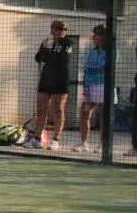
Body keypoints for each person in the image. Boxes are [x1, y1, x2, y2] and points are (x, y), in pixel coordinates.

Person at [22, 19, 73, 151]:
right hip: (46, 79)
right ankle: (36, 139)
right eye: (58, 28)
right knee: (41, 110)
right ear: (52, 30)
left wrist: (48, 54)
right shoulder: (47, 42)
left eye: (64, 29)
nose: (62, 31)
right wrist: (44, 48)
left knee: (58, 110)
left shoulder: (67, 42)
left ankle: (55, 140)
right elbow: (38, 58)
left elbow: (62, 60)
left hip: (60, 80)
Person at [74, 24, 119, 153]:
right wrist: (86, 86)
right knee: (84, 113)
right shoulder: (92, 51)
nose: (93, 36)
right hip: (91, 88)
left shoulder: (112, 51)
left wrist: (95, 70)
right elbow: (87, 69)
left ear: (103, 36)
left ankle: (103, 145)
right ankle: (84, 143)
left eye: (96, 34)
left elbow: (106, 68)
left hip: (105, 87)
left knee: (104, 117)